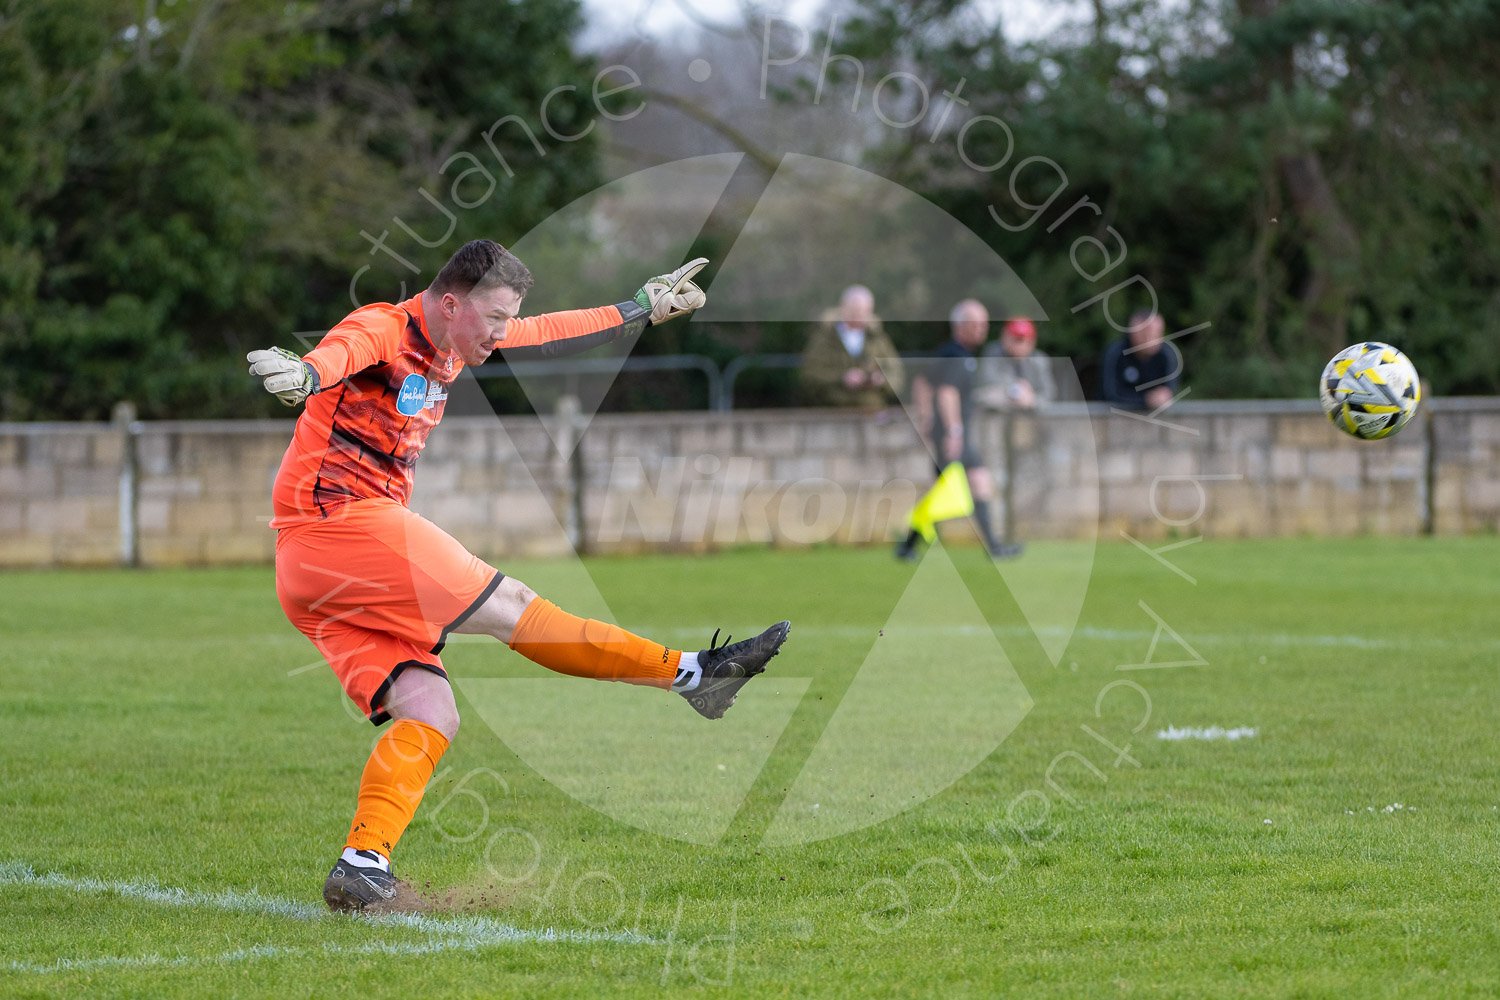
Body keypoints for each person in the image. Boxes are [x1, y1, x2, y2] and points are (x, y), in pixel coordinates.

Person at [246, 240, 791, 912]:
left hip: (315, 575)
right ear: (451, 304)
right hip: (338, 526)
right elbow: (345, 352)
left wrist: (640, 308)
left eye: (508, 317)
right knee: (515, 606)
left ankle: (362, 865)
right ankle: (694, 674)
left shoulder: (455, 339)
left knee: (430, 710)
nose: (505, 332)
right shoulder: (386, 326)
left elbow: (547, 334)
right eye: (496, 317)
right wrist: (306, 375)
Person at [894, 298, 1020, 561]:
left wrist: (925, 416)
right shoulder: (956, 356)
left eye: (984, 323)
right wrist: (954, 431)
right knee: (945, 491)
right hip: (952, 436)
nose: (983, 328)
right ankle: (908, 545)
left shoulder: (955, 353)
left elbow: (921, 381)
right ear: (961, 325)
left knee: (976, 482)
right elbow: (947, 392)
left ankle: (993, 547)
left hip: (953, 434)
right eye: (977, 323)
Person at [800, 285, 905, 408]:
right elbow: (810, 375)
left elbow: (897, 374)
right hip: (833, 409)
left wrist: (881, 380)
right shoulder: (824, 338)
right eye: (855, 311)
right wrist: (842, 378)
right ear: (843, 308)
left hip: (872, 410)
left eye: (864, 311)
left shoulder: (878, 339)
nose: (860, 316)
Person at [1100, 310, 1182, 410]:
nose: (1152, 339)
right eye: (1146, 334)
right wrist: (1146, 400)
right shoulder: (1115, 353)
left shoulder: (1167, 355)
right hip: (1110, 419)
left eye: (1156, 334)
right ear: (1133, 333)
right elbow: (1110, 394)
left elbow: (1169, 392)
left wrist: (1163, 397)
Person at [975, 317, 1055, 411]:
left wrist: (1032, 400)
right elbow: (983, 389)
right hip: (998, 417)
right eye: (1015, 339)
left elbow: (1049, 394)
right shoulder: (992, 354)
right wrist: (1014, 391)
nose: (1020, 345)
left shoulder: (1039, 361)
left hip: (1030, 419)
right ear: (1004, 337)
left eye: (1023, 340)